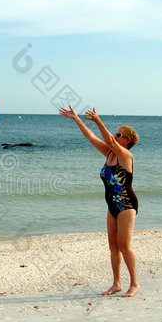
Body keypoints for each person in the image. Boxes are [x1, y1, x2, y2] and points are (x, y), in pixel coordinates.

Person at [59, 106, 140, 297]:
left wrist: (98, 120)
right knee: (113, 245)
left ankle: (135, 284)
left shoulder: (125, 156)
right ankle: (117, 283)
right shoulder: (110, 154)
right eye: (116, 133)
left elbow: (109, 139)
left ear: (126, 140)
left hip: (126, 205)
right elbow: (91, 137)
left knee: (124, 245)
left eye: (119, 134)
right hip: (112, 205)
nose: (115, 136)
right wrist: (77, 119)